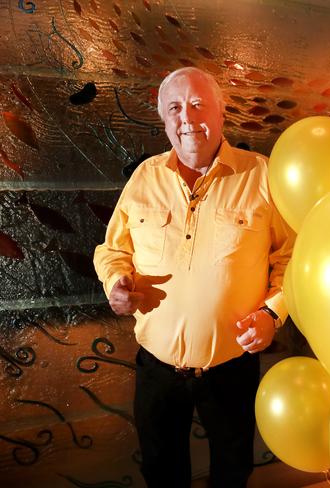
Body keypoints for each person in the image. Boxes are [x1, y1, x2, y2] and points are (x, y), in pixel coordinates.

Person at [94, 67, 294, 488]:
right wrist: (116, 283)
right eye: (175, 108)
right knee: (162, 474)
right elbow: (113, 250)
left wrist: (272, 314)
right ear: (165, 120)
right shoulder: (144, 178)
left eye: (199, 104)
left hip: (230, 369)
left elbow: (292, 257)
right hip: (157, 369)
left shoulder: (262, 175)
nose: (187, 117)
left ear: (222, 112)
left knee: (232, 472)